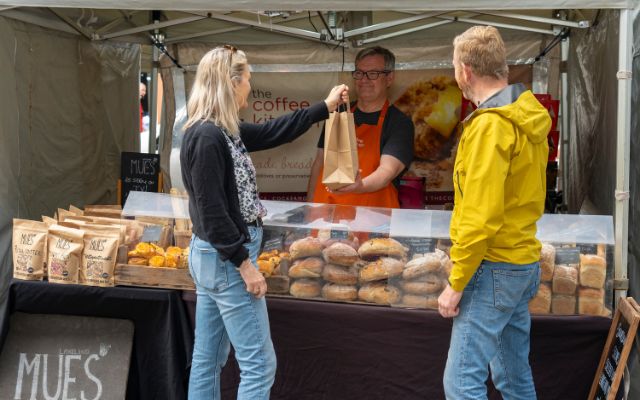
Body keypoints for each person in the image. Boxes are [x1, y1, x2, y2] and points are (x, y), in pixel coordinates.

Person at [180, 45, 348, 400]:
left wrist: (325, 106)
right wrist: (244, 264)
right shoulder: (209, 136)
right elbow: (212, 212)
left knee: (207, 359)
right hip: (227, 261)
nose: (250, 88)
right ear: (231, 82)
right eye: (248, 80)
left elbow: (276, 131)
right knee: (259, 365)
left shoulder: (221, 130)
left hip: (213, 259)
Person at [437, 26, 550, 399]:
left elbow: (480, 217)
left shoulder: (489, 127)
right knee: (514, 378)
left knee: (461, 382)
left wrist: (456, 284)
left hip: (492, 267)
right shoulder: (526, 113)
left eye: (455, 66)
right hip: (521, 262)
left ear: (466, 71)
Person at [307, 46, 414, 208]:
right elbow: (319, 163)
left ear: (389, 78)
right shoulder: (338, 113)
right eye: (359, 73)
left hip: (373, 222)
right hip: (326, 215)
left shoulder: (399, 123)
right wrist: (309, 209)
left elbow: (386, 172)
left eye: (373, 73)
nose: (364, 80)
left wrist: (359, 186)